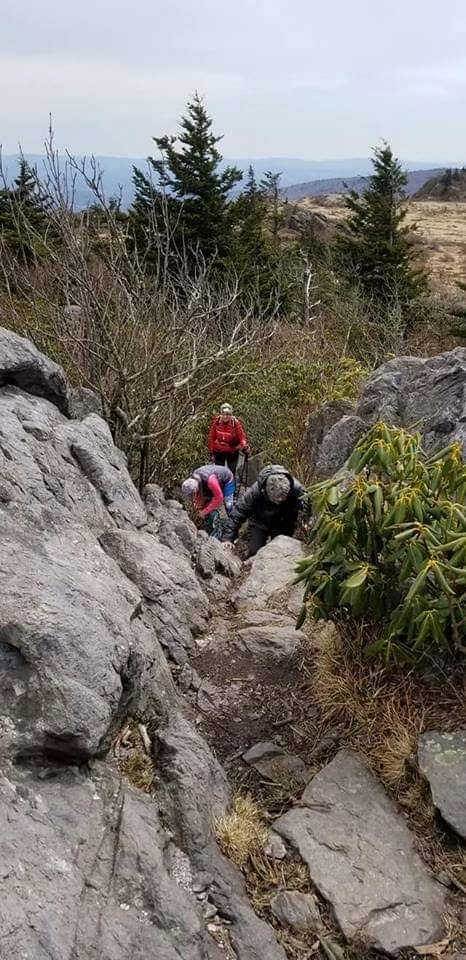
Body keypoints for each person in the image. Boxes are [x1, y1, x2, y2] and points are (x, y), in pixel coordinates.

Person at [222, 464, 309, 557]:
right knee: (254, 551)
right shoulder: (255, 491)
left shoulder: (297, 489)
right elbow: (239, 512)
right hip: (261, 521)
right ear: (265, 491)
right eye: (275, 500)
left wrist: (306, 520)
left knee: (281, 553)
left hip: (285, 521)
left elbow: (307, 504)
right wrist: (228, 538)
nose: (278, 503)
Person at [181, 463, 236, 538]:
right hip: (212, 482)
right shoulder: (194, 479)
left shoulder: (210, 481)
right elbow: (197, 497)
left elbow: (219, 498)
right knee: (204, 503)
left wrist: (204, 512)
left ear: (196, 489)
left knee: (228, 505)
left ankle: (233, 527)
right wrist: (198, 508)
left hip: (226, 479)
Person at [208, 403, 249, 475]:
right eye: (223, 414)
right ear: (221, 414)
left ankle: (232, 485)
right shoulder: (217, 422)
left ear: (231, 415)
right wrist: (211, 452)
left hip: (232, 451)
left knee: (231, 472)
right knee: (219, 473)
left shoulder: (235, 423)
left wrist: (244, 446)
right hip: (219, 451)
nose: (225, 416)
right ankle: (220, 486)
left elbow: (242, 437)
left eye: (227, 414)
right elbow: (211, 437)